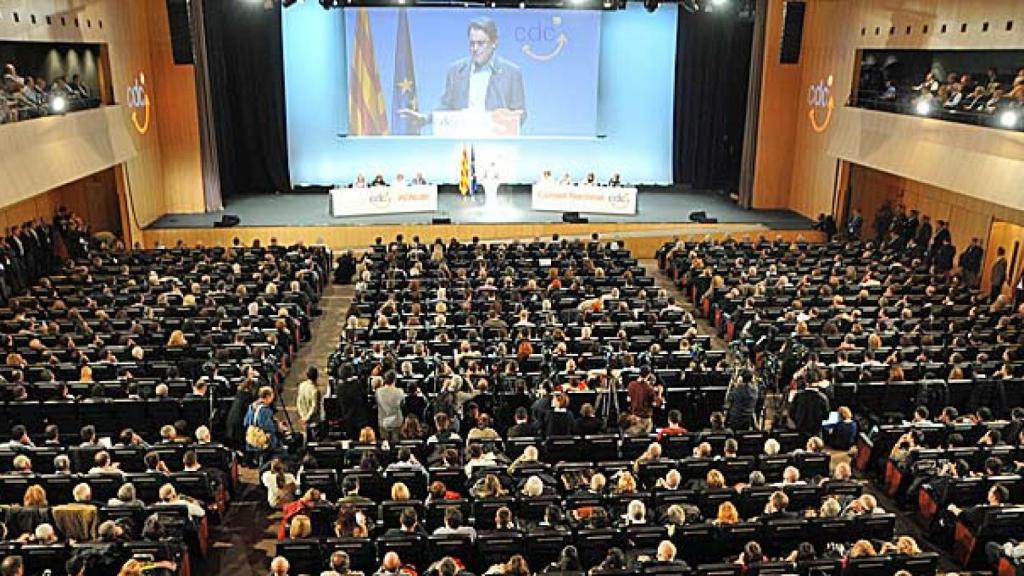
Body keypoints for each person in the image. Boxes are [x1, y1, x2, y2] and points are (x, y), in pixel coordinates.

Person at [400, 17, 526, 131]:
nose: (475, 48)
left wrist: (509, 119)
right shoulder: (455, 71)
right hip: (462, 141)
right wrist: (426, 118)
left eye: (481, 43)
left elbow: (521, 114)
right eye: (472, 43)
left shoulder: (512, 73)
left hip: (497, 143)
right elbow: (446, 106)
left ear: (494, 43)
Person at [295, 366, 323, 432]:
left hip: (303, 416)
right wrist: (307, 418)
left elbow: (299, 402)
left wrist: (302, 416)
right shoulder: (315, 390)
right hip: (313, 420)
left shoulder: (301, 385)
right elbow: (314, 407)